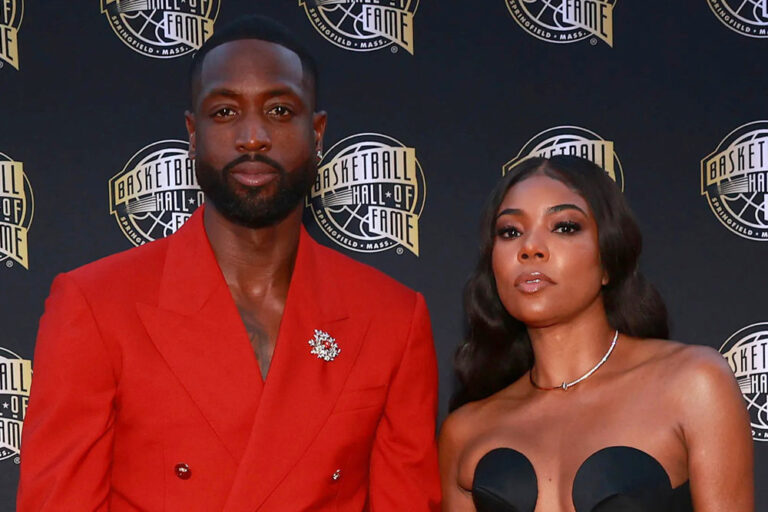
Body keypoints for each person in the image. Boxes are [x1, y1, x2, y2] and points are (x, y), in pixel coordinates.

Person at [18, 15, 440, 511]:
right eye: (224, 113)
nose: (253, 136)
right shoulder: (95, 305)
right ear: (192, 134)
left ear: (318, 132)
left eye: (280, 110)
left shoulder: (392, 317)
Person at [438, 156, 753, 511]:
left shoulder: (693, 384)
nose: (530, 247)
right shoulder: (465, 432)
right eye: (510, 232)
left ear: (608, 259)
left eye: (565, 226)